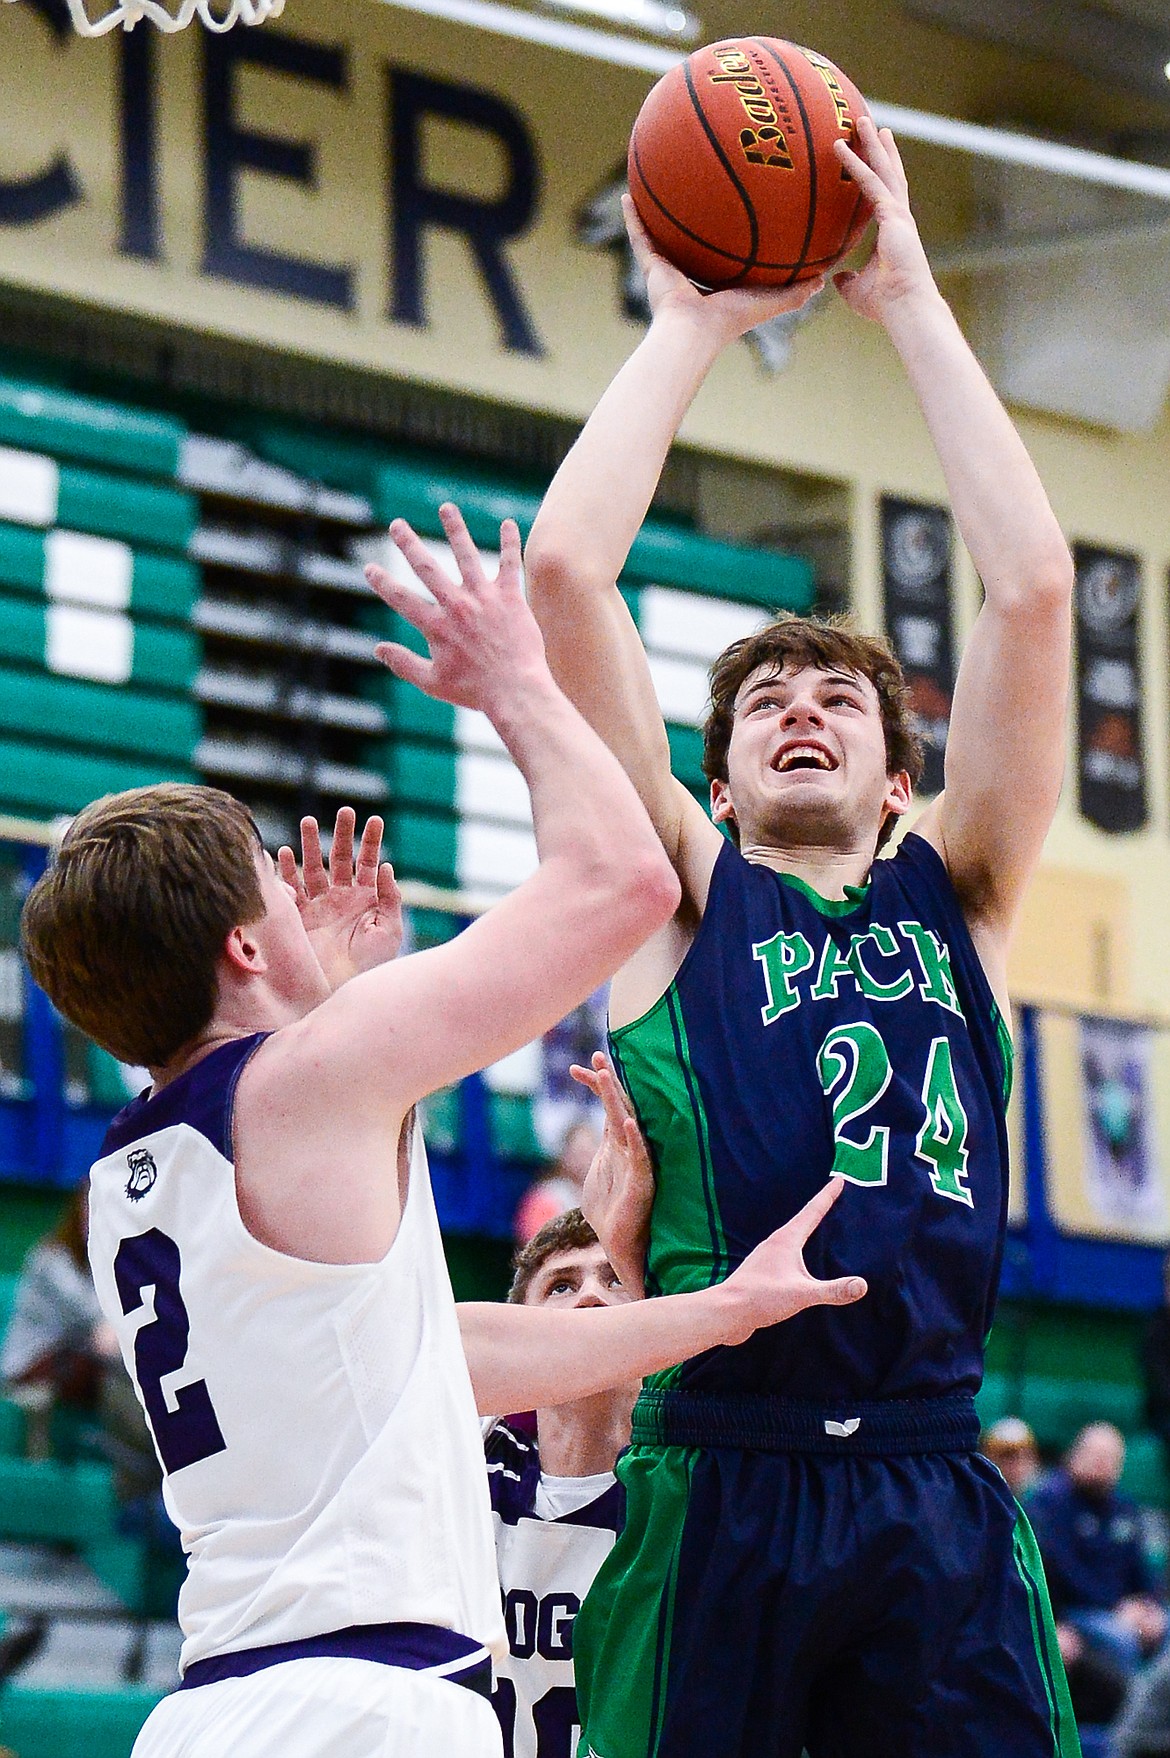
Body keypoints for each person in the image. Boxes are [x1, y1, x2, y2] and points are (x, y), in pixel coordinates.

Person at [20, 503, 865, 1758]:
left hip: (218, 1710)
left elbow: (430, 1351)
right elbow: (623, 885)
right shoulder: (307, 1083)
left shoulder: (139, 1170)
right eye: (272, 890)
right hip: (365, 1705)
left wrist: (723, 1313)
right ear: (247, 945)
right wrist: (517, 681)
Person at [523, 113, 1077, 1758]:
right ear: (716, 771)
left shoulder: (958, 892)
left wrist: (907, 293)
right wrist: (692, 317)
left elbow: (1034, 590)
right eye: (768, 700)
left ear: (904, 774)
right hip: (724, 1468)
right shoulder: (691, 888)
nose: (804, 708)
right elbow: (565, 572)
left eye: (842, 695)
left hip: (927, 1468)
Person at [488, 1056, 651, 1758]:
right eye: (559, 1286)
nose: (587, 1296)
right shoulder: (459, 1465)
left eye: (613, 1280)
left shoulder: (689, 1493)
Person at [1028, 1423, 1166, 1682]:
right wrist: (1116, 1608)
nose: (1101, 1464)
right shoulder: (1050, 1504)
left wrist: (1149, 1606)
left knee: (1164, 1625)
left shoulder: (1124, 1508)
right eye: (1095, 1455)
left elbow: (1142, 1569)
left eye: (1110, 1458)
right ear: (1074, 1454)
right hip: (1075, 1611)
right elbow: (1063, 1574)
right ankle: (1130, 1720)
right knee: (1121, 1638)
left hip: (1120, 1609)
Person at [0, 1182, 117, 1457]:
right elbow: (92, 1315)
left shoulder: (104, 1267)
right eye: (92, 1208)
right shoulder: (50, 1259)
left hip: (79, 1360)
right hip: (32, 1365)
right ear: (78, 1212)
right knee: (103, 1363)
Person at [513, 1119, 601, 1245]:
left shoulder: (610, 1195)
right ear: (564, 1157)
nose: (583, 1160)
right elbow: (534, 1245)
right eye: (578, 1153)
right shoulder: (546, 1197)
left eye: (588, 1153)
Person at [982, 1416, 1042, 1500]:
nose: (1015, 1465)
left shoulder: (1045, 1497)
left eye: (1022, 1456)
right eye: (1006, 1457)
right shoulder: (983, 1498)